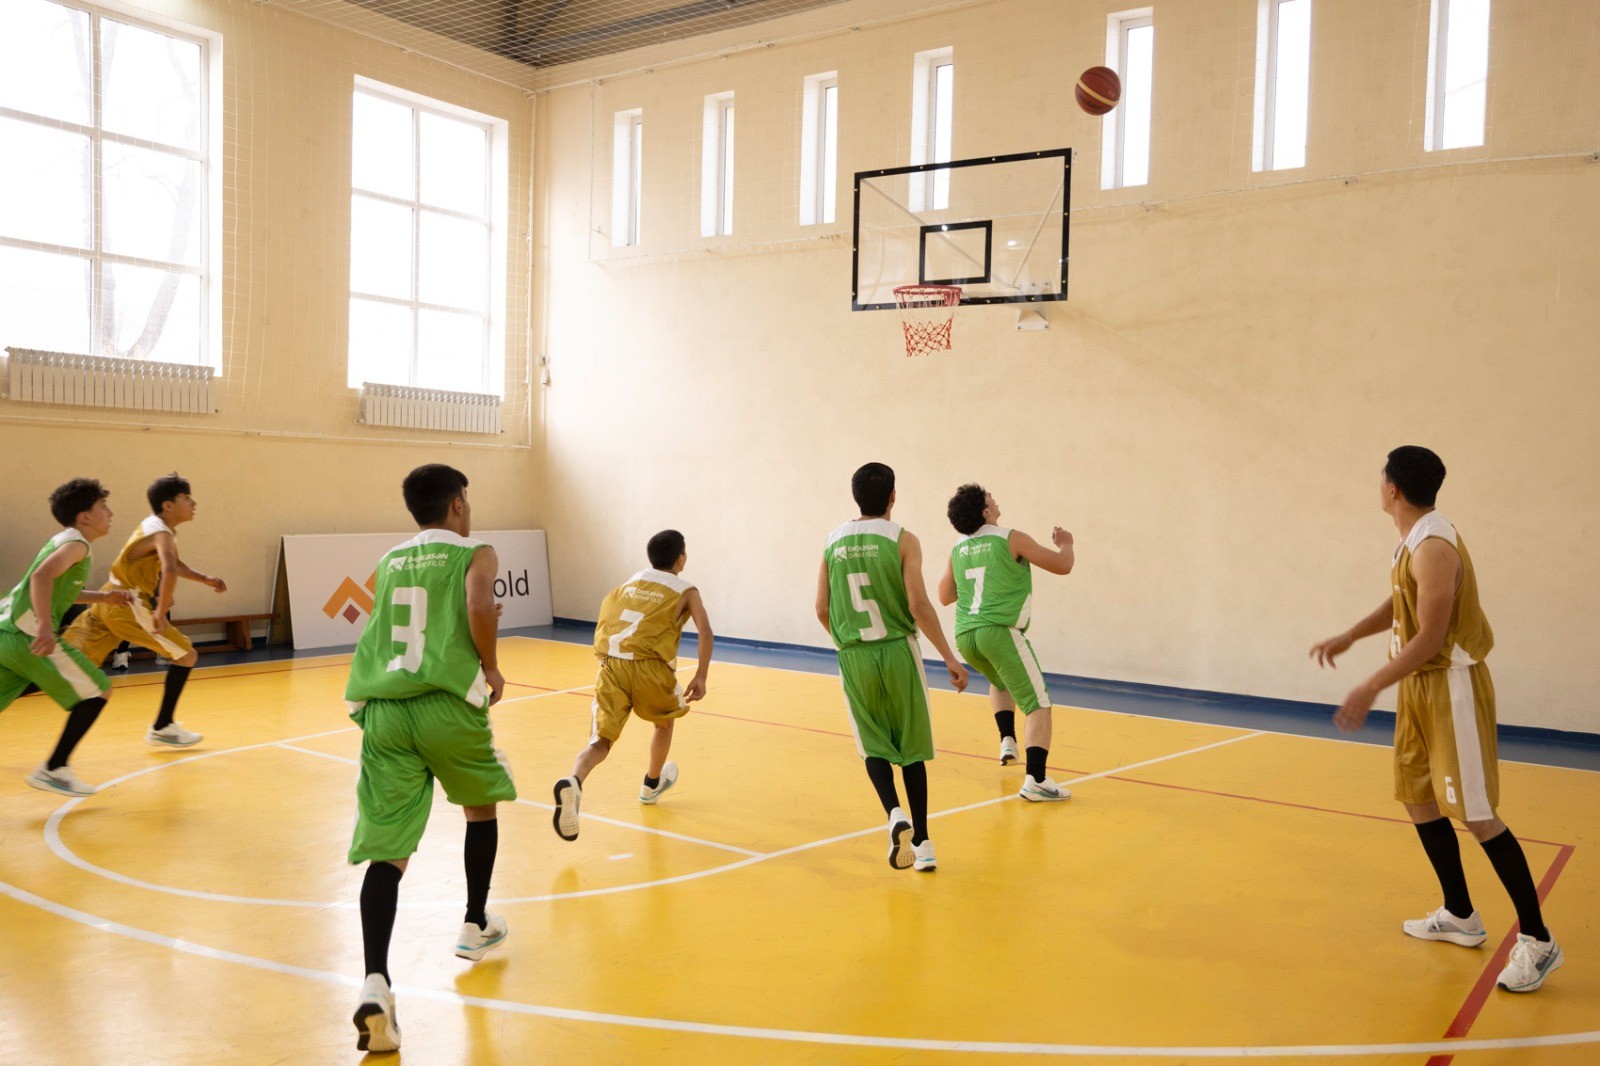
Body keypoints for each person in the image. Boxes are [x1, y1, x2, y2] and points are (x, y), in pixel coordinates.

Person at [1310, 446, 1563, 994]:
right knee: (1418, 797)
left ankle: (1539, 940)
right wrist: (1351, 634)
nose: (1379, 484)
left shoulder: (1434, 547)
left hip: (1451, 687)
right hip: (1419, 684)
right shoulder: (1413, 539)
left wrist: (1369, 686)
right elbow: (1404, 602)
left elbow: (1429, 638)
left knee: (1478, 815)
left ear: (1393, 488)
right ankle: (1460, 914)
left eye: (1381, 477)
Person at [346, 464, 517, 1052]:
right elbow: (478, 605)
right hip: (445, 704)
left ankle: (375, 981)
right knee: (479, 807)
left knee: (387, 853)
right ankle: (474, 921)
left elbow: (390, 628)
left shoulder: (390, 560)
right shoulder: (477, 553)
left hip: (386, 709)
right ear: (458, 504)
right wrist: (491, 665)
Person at [816, 462, 968, 872]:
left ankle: (893, 812)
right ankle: (923, 843)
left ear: (855, 497)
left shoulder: (832, 541)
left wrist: (849, 643)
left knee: (873, 743)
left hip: (853, 653)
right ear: (893, 495)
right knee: (912, 747)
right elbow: (919, 604)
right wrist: (949, 657)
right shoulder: (903, 539)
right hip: (898, 650)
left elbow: (821, 608)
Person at [552, 530, 712, 839]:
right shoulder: (687, 590)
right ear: (681, 559)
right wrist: (701, 675)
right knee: (663, 724)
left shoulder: (630, 582)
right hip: (651, 667)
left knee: (599, 742)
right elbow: (705, 631)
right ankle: (650, 785)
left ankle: (574, 780)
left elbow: (607, 617)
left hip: (612, 664)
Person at [62, 473, 227, 748]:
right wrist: (160, 611)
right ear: (168, 505)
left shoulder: (155, 527)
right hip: (128, 605)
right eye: (187, 498)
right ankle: (163, 726)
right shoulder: (161, 532)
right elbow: (170, 570)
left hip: (110, 600)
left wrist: (205, 578)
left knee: (65, 664)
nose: (194, 503)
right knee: (186, 655)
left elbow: (174, 564)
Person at [938, 484, 1075, 800]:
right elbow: (1062, 565)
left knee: (1001, 681)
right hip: (998, 631)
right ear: (986, 511)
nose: (995, 499)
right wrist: (1066, 544)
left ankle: (1007, 741)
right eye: (990, 498)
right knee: (1038, 704)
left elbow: (945, 596)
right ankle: (1036, 780)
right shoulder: (1012, 538)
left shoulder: (958, 548)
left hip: (966, 636)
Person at [1, 479, 135, 796]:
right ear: (84, 517)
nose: (110, 513)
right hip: (28, 635)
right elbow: (41, 577)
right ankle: (54, 769)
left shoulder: (64, 541)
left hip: (6, 635)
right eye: (103, 507)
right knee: (98, 690)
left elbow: (59, 588)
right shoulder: (78, 545)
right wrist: (45, 628)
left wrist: (104, 598)